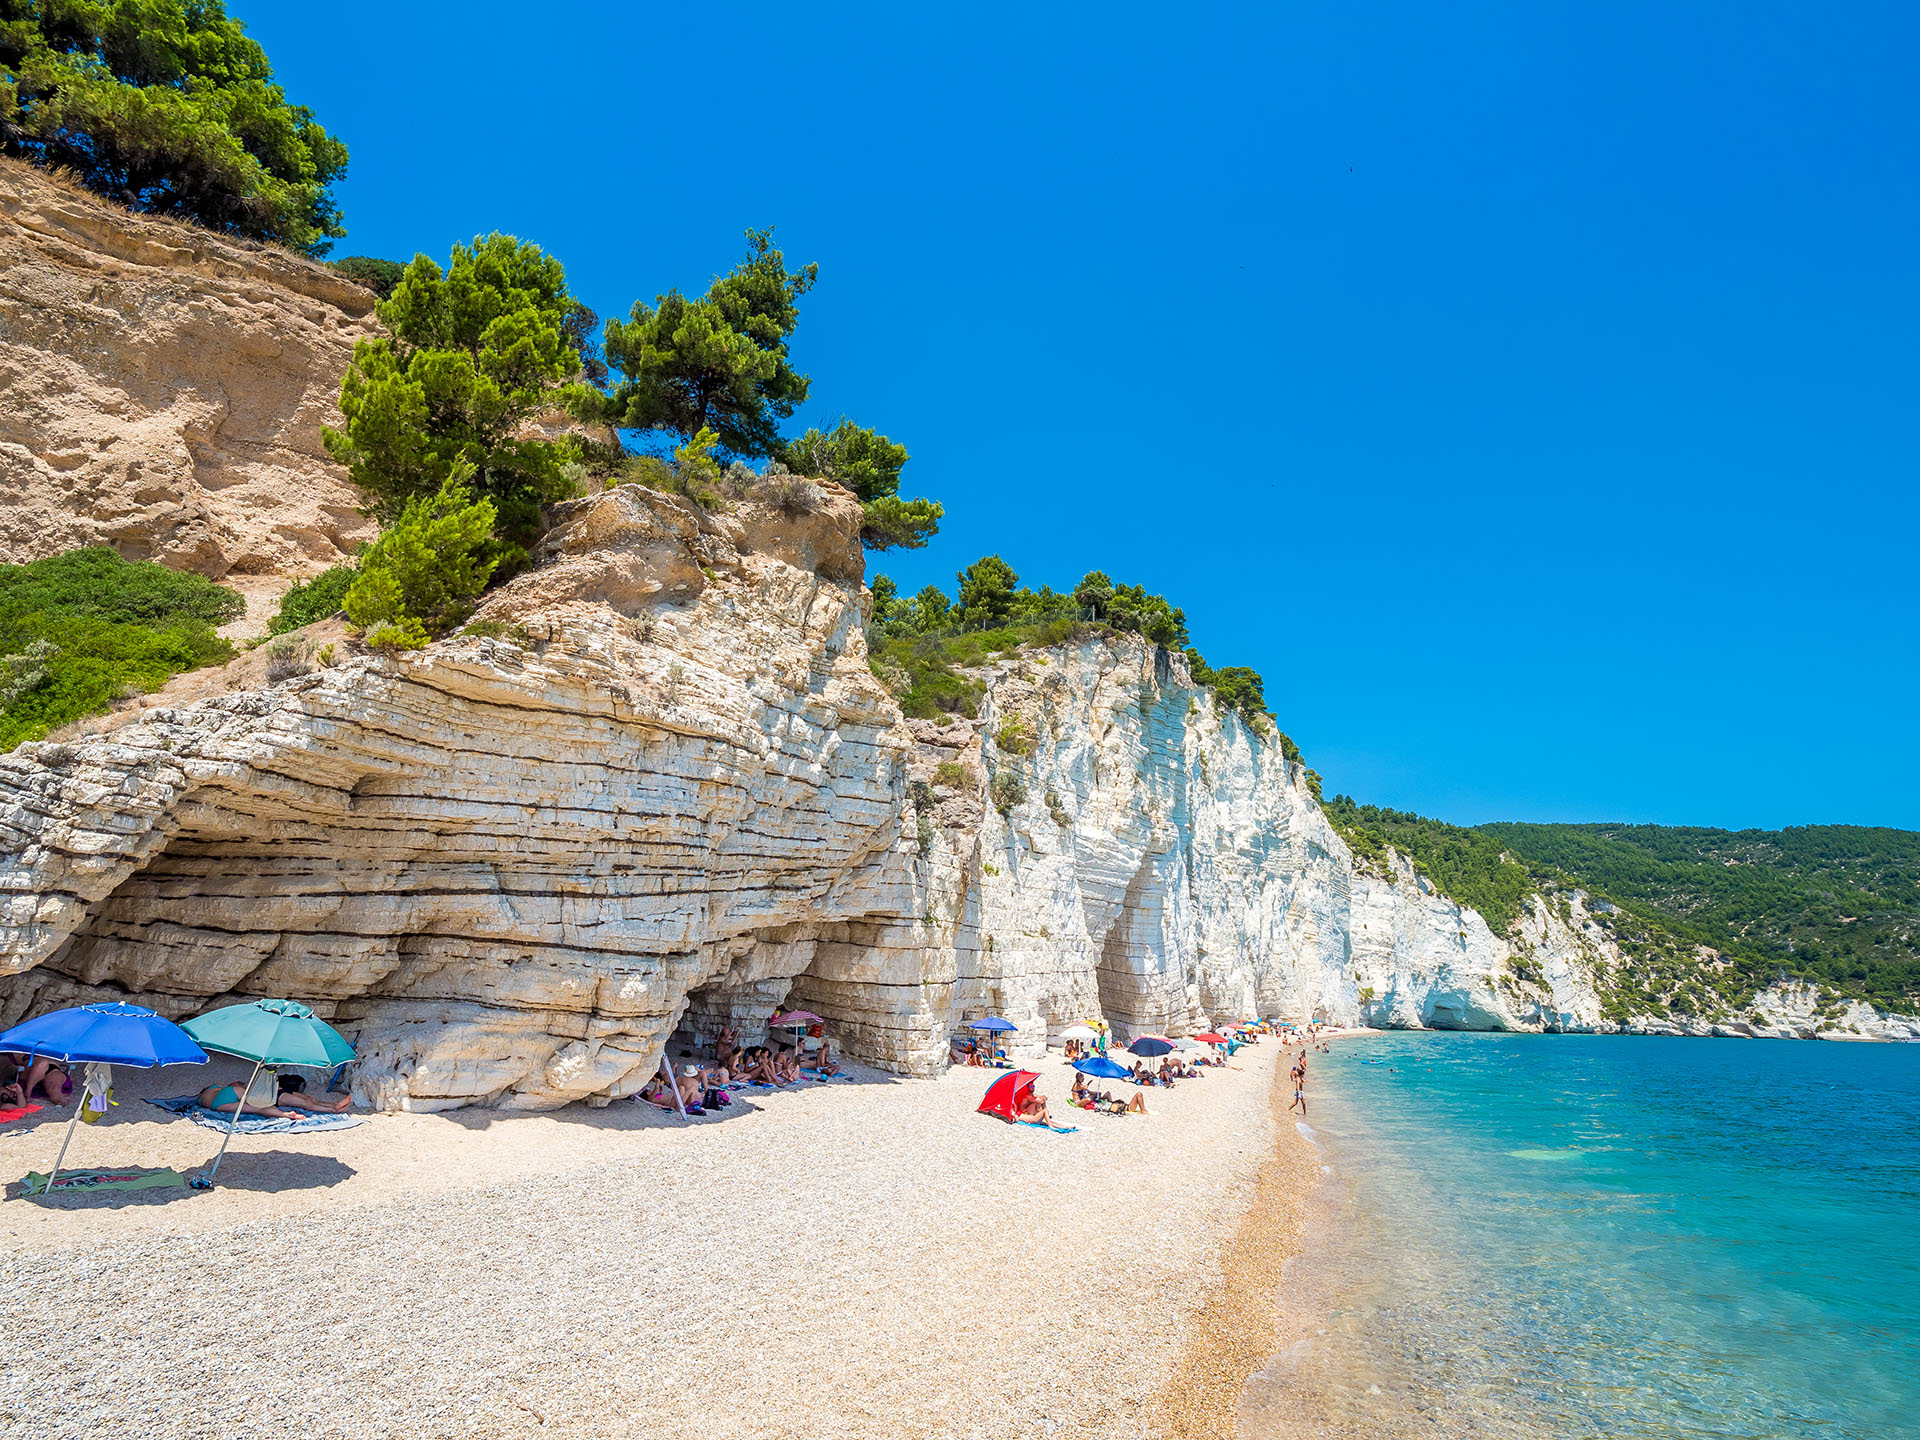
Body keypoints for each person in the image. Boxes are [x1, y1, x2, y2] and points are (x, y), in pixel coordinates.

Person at [272, 1073, 352, 1114]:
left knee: (310, 1099)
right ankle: (332, 1110)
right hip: (273, 1096)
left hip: (277, 1089)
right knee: (305, 1103)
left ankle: (334, 1104)